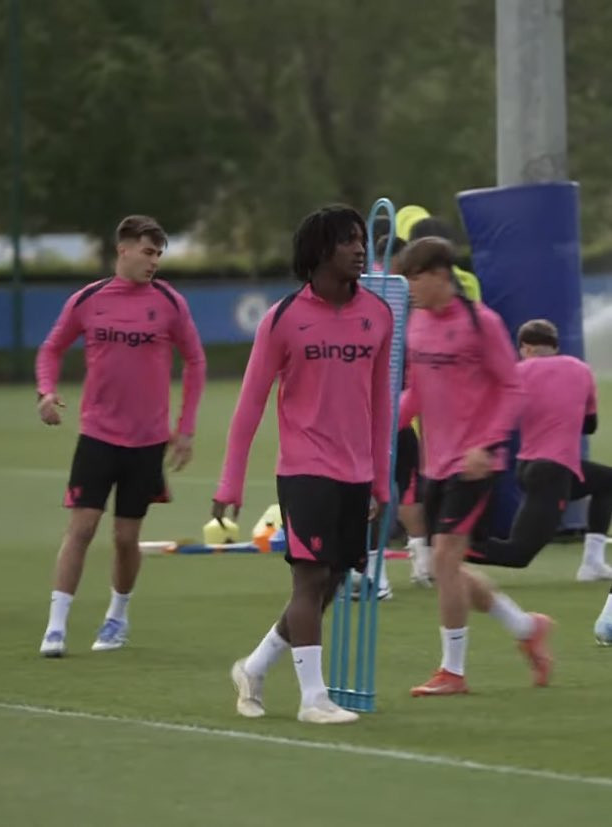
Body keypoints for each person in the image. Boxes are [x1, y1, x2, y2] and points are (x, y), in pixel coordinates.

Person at [214, 204, 393, 724]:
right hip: (304, 467)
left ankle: (254, 667)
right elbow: (249, 406)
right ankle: (314, 698)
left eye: (361, 239)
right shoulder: (283, 319)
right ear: (319, 250)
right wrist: (230, 483)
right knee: (310, 580)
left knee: (332, 582)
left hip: (356, 472)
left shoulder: (379, 314)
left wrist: (382, 481)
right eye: (348, 240)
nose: (360, 248)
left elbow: (381, 404)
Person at [36, 215, 206, 656]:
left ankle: (117, 617)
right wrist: (46, 391)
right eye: (148, 252)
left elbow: (195, 361)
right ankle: (56, 626)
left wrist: (185, 429)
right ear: (123, 249)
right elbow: (52, 348)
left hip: (147, 443)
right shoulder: (88, 300)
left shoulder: (169, 302)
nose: (154, 262)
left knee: (127, 538)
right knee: (81, 528)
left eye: (159, 255)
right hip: (97, 436)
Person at [398, 237, 552, 697]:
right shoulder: (416, 324)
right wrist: (387, 426)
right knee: (443, 566)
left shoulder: (481, 323)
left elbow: (512, 388)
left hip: (476, 464)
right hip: (435, 462)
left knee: (445, 559)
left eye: (415, 279)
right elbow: (416, 391)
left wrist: (487, 444)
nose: (409, 289)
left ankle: (453, 672)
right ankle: (526, 628)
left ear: (440, 275)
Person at [465, 319, 612, 579]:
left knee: (607, 481)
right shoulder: (581, 369)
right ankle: (446, 551)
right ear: (555, 346)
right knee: (517, 554)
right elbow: (589, 426)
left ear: (525, 348)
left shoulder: (517, 372)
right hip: (553, 471)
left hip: (536, 469)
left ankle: (592, 563)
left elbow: (495, 415)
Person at [373, 234, 432, 589]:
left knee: (396, 481)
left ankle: (410, 564)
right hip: (390, 402)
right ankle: (396, 567)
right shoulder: (393, 289)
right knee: (397, 484)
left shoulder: (367, 286)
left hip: (384, 402)